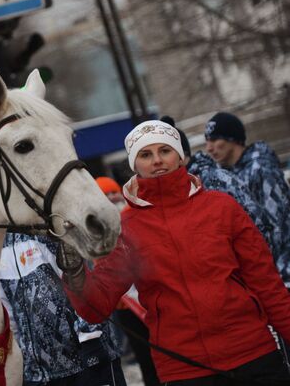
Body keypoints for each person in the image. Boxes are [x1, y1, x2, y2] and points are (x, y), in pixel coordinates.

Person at [59, 119, 290, 385]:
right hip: (185, 369)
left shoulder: (222, 208)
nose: (157, 160)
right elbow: (97, 305)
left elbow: (268, 285)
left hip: (253, 355)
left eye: (165, 151)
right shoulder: (127, 227)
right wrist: (76, 273)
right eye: (146, 154)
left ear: (180, 157)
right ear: (135, 165)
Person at [0, 233, 125, 386]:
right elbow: (8, 316)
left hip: (87, 363)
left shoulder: (49, 231)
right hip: (39, 375)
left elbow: (83, 289)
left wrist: (91, 342)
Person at [188, 112, 290, 285]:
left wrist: (279, 277)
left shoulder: (261, 170)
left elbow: (279, 227)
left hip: (281, 273)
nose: (209, 148)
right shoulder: (226, 174)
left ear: (232, 139)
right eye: (207, 142)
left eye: (214, 140)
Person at [96, 176, 160, 386]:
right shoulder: (99, 230)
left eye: (114, 192)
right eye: (106, 195)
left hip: (153, 297)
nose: (112, 197)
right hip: (127, 307)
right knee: (144, 355)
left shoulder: (136, 216)